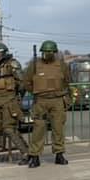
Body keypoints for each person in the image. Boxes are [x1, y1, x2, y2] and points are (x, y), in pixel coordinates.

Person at [24, 40, 71, 168]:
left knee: (58, 128)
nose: (47, 54)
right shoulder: (34, 65)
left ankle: (59, 154)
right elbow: (27, 82)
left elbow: (67, 81)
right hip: (41, 100)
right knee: (38, 129)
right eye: (45, 52)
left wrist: (59, 92)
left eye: (50, 52)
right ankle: (35, 156)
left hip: (57, 100)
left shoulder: (61, 65)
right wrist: (37, 92)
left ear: (55, 52)